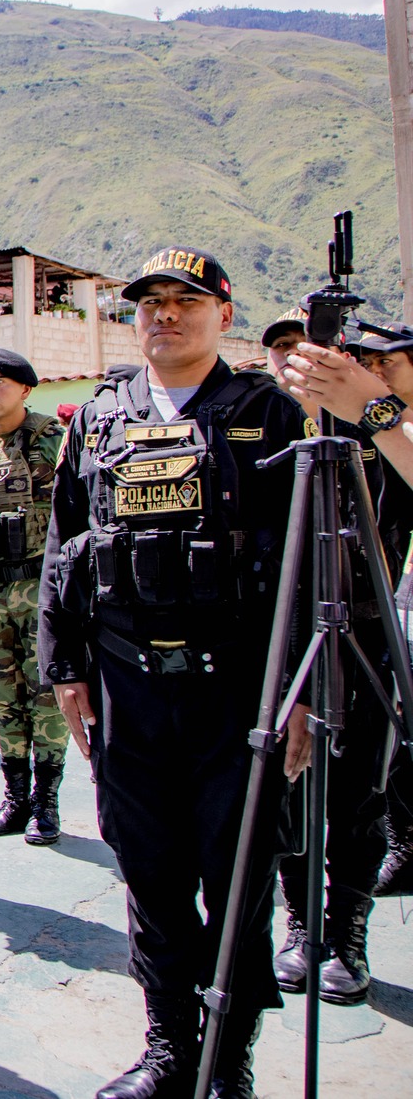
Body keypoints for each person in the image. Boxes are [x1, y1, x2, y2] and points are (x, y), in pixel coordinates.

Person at [41, 248, 312, 1099]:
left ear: (222, 315)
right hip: (127, 686)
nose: (164, 314)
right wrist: (66, 665)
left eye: (185, 301)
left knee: (237, 873)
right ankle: (169, 1045)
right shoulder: (101, 415)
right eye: (149, 302)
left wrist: (302, 690)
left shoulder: (269, 414)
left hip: (237, 689)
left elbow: (305, 563)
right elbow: (65, 543)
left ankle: (228, 1057)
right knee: (149, 869)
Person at [268, 323, 413, 1002]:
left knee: (360, 792)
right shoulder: (289, 428)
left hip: (372, 630)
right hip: (291, 632)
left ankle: (347, 930)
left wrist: (376, 414)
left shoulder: (387, 437)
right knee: (293, 781)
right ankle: (300, 923)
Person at [0, 348, 70, 845]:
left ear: (25, 390)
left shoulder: (52, 438)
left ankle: (46, 803)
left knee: (45, 694)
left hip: (39, 586)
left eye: (0, 383)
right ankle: (15, 798)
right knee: (1, 695)